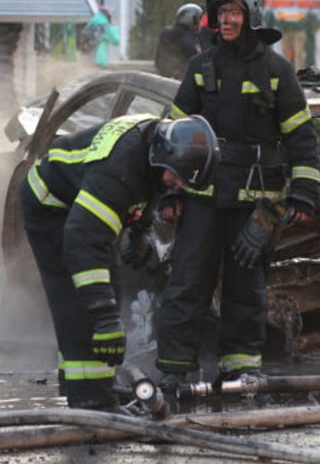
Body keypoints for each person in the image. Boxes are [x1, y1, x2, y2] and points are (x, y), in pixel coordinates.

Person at [155, 0, 320, 391]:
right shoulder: (200, 68)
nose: (226, 20)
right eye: (220, 13)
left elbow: (301, 138)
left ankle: (241, 371)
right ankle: (175, 370)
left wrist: (303, 193)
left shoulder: (277, 71)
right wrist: (169, 191)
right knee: (187, 282)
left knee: (247, 291)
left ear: (250, 17)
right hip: (202, 200)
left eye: (233, 12)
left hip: (253, 206)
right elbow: (172, 134)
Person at [19, 114, 219, 411]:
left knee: (109, 288)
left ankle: (95, 383)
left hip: (80, 204)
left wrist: (139, 232)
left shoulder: (155, 147)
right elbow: (83, 240)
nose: (176, 186)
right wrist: (104, 317)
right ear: (164, 155)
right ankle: (88, 398)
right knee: (79, 300)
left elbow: (149, 187)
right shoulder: (119, 170)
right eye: (176, 177)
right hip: (51, 206)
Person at [155, 3, 203, 79]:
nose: (201, 24)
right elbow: (199, 63)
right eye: (199, 21)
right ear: (192, 20)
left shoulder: (167, 34)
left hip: (165, 80)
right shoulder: (188, 39)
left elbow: (158, 63)